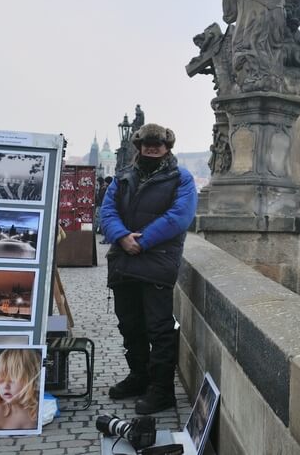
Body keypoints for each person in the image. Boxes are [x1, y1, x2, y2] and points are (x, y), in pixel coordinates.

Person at [102, 123, 197, 415]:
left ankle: (162, 390)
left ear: (167, 148)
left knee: (159, 329)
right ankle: (139, 377)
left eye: (158, 146)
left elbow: (179, 217)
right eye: (147, 146)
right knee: (129, 325)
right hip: (124, 261)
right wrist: (121, 236)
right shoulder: (123, 177)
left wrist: (141, 242)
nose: (152, 150)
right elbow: (106, 211)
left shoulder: (182, 178)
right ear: (139, 148)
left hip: (156, 262)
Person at [0, 348, 41, 431]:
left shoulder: (40, 409)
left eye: (12, 380)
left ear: (31, 380)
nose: (5, 386)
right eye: (1, 380)